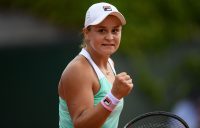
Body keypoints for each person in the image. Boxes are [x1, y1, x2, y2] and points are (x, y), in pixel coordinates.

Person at [58, 2, 134, 128]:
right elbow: (81, 125)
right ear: (87, 32)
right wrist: (114, 96)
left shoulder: (110, 63)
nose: (110, 37)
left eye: (115, 30)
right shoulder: (78, 70)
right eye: (102, 30)